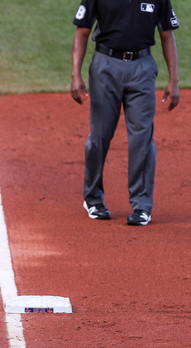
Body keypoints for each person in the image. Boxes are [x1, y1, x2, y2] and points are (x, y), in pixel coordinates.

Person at [71, 0, 180, 225]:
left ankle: (142, 206)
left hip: (143, 67)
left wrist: (174, 80)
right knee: (100, 136)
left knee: (142, 137)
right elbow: (82, 32)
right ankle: (93, 198)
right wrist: (75, 75)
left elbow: (167, 36)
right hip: (105, 66)